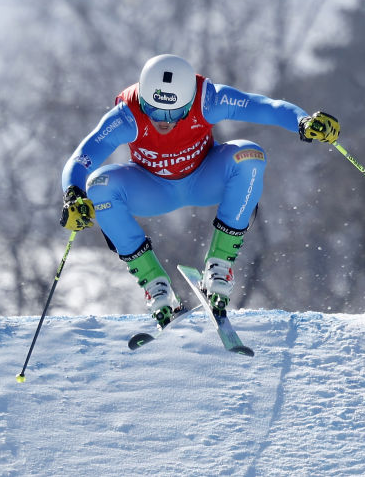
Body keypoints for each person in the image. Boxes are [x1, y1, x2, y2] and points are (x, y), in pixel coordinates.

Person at [59, 53, 339, 325]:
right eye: (154, 110)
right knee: (98, 185)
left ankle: (219, 265)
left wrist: (303, 121)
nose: (163, 121)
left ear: (190, 99)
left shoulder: (209, 99)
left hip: (205, 178)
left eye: (176, 111)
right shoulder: (127, 115)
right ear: (143, 99)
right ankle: (155, 285)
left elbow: (266, 107)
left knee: (250, 155)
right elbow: (82, 157)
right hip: (152, 188)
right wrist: (73, 193)